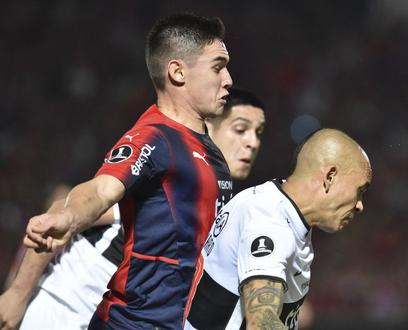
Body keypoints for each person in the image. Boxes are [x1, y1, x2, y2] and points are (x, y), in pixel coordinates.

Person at [22, 13, 233, 329]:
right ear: (177, 72)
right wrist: (67, 217)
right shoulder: (154, 136)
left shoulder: (210, 152)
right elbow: (101, 189)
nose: (228, 78)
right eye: (217, 67)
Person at [0, 87, 266, 330]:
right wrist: (16, 294)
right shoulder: (167, 172)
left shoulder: (224, 204)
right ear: (207, 127)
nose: (252, 142)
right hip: (67, 309)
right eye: (240, 129)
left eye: (259, 133)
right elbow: (59, 212)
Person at [186, 128, 372, 330]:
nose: (360, 205)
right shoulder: (270, 221)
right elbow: (261, 322)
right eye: (360, 190)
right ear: (330, 176)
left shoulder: (281, 210)